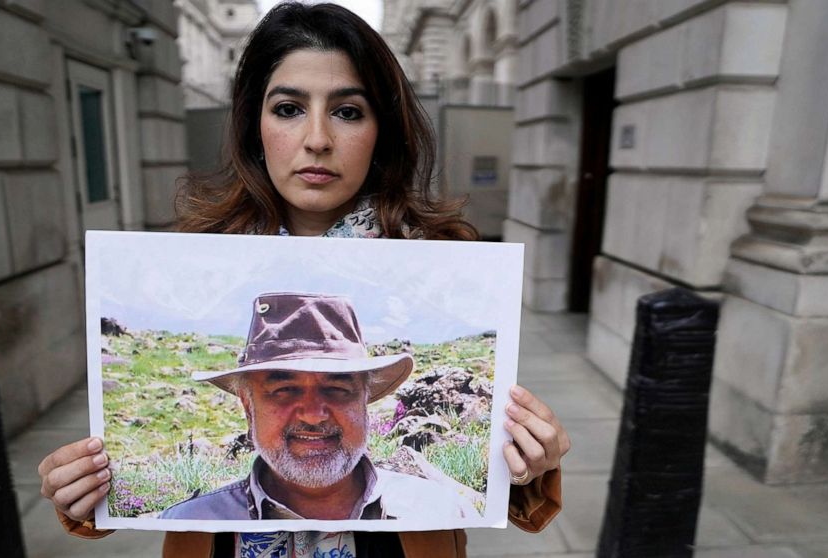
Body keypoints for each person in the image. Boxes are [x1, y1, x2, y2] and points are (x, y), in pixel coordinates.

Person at [38, 3, 571, 557]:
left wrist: (532, 461)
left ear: (381, 129)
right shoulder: (203, 253)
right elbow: (121, 498)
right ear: (255, 126)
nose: (317, 138)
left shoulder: (447, 263)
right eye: (290, 108)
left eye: (347, 112)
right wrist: (88, 491)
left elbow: (500, 487)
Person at [159, 291, 480, 521]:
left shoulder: (439, 510)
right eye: (285, 389)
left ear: (365, 402)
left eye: (337, 388)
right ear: (248, 408)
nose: (313, 414)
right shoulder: (193, 523)